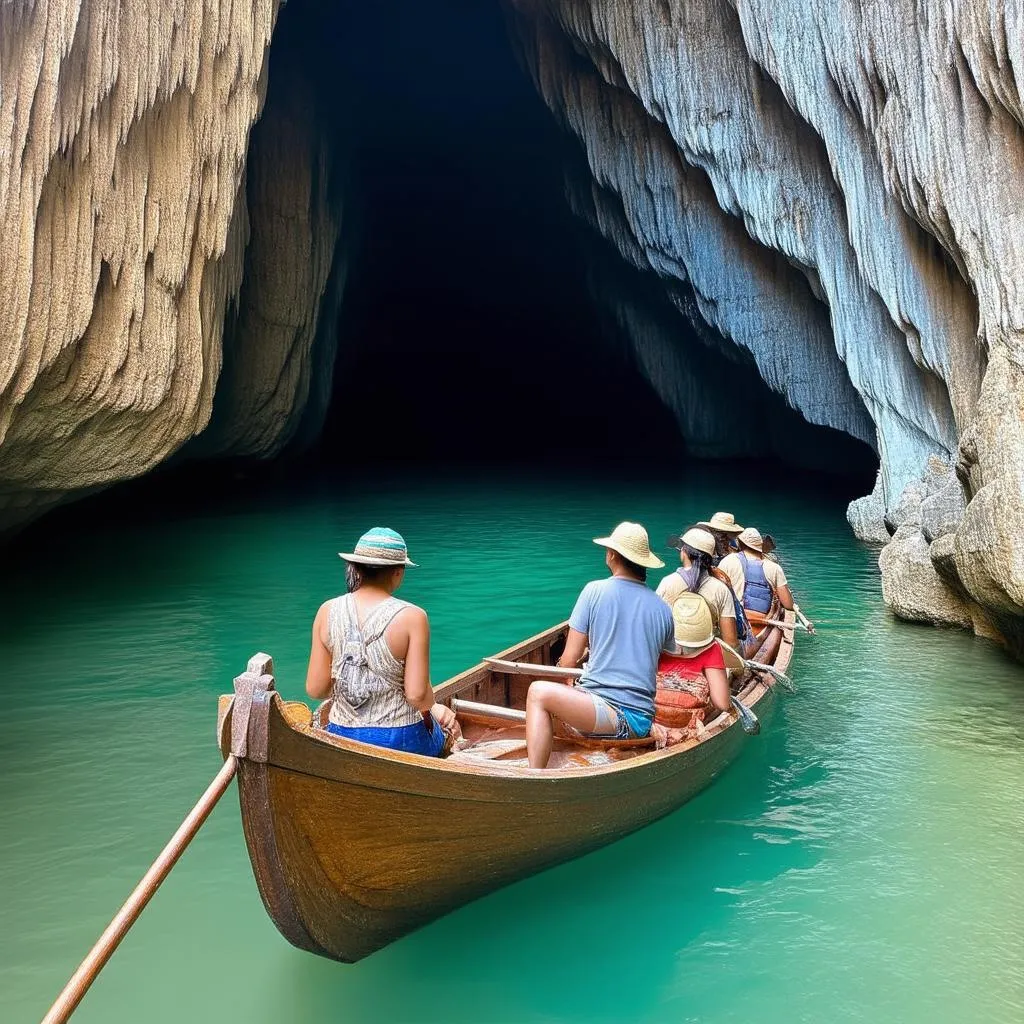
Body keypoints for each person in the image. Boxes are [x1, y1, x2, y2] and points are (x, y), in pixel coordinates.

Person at [524, 521, 674, 769]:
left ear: (613, 555)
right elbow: (661, 660)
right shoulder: (663, 609)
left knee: (537, 693)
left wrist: (569, 680)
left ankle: (534, 778)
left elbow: (569, 661)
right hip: (641, 717)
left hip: (616, 714)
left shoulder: (594, 591)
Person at [305, 527, 460, 756]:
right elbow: (417, 696)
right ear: (398, 572)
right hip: (401, 739)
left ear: (356, 568)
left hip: (341, 735)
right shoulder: (412, 616)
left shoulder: (326, 611)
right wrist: (435, 707)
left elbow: (316, 689)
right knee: (450, 733)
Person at [656, 527, 747, 655]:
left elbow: (656, 629)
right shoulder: (720, 589)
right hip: (708, 656)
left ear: (684, 552)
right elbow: (731, 642)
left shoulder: (667, 583)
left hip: (672, 655)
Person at [719, 527, 813, 629]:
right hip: (759, 621)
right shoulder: (774, 568)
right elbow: (788, 605)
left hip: (731, 617)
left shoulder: (727, 560)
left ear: (740, 544)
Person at [656, 592, 731, 718]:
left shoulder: (657, 642)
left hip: (652, 716)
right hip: (688, 721)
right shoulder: (712, 649)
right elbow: (722, 704)